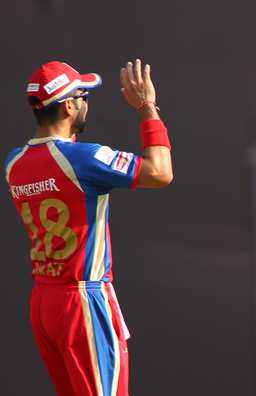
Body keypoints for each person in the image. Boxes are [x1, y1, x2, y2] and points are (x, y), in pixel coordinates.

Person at [4, 59, 172, 396]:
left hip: (44, 300)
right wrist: (147, 107)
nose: (86, 104)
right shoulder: (82, 159)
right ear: (68, 105)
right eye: (83, 96)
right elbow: (160, 171)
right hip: (82, 298)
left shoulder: (14, 163)